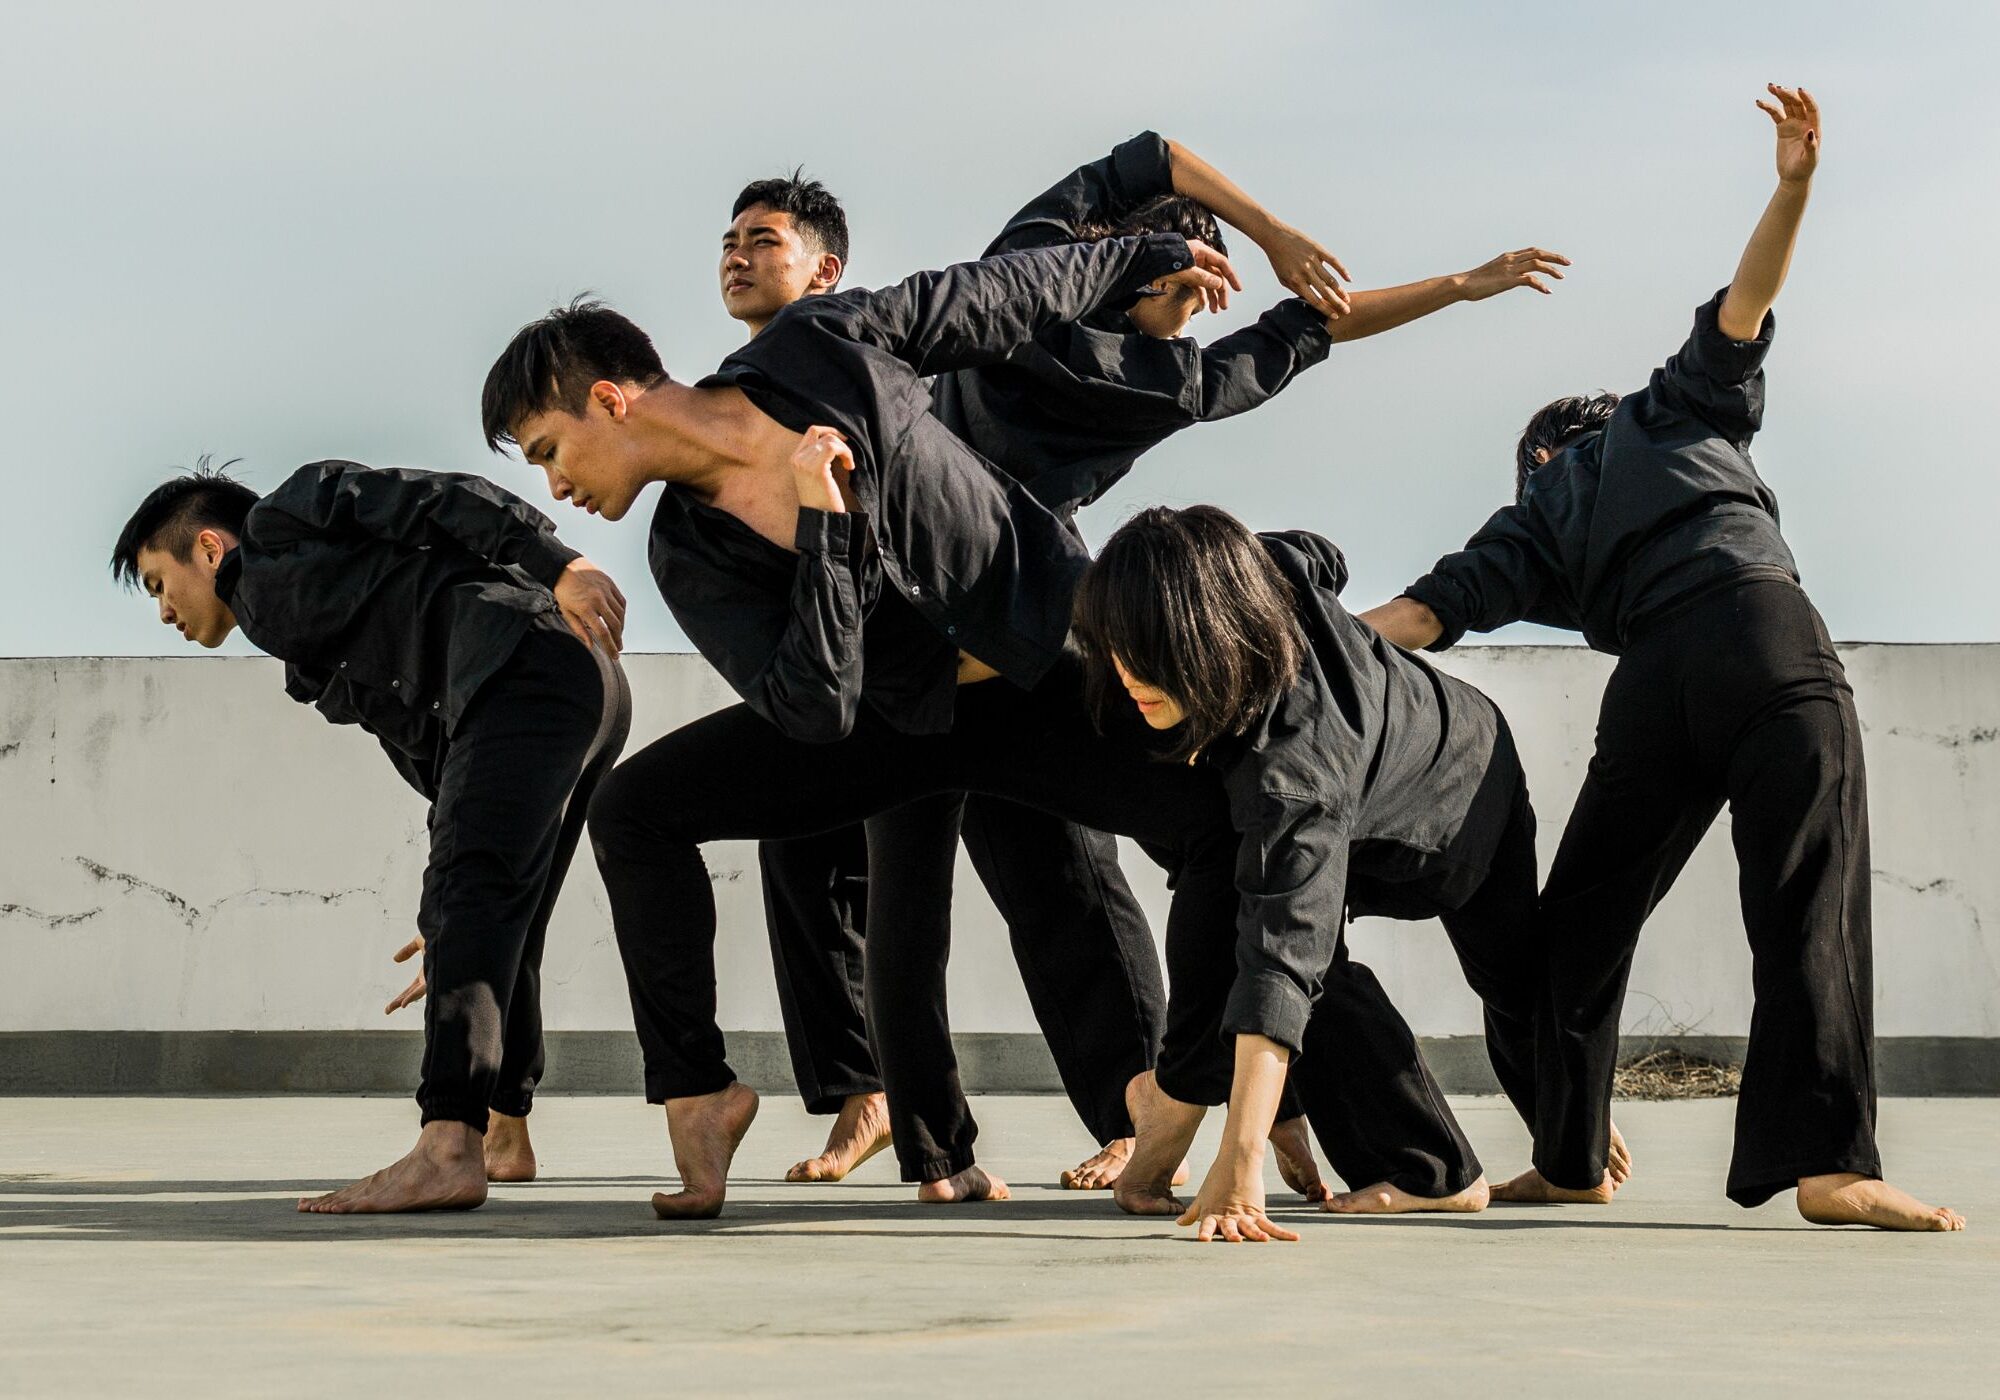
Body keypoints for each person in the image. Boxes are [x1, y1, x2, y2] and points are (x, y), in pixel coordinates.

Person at [728, 140, 1570, 1191]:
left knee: (925, 893)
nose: (1195, 317)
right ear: (1167, 274)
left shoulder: (1027, 264)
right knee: (1151, 869)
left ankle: (950, 1152)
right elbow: (1314, 324)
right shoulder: (1158, 379)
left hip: (912, 628)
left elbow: (1151, 156)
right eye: (1189, 296)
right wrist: (1455, 284)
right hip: (1022, 641)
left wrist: (1268, 233)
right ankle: (1209, 1112)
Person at [483, 230, 1244, 1214]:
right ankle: (699, 1094)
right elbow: (813, 705)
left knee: (1223, 816)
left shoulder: (821, 346)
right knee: (634, 808)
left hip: (1036, 669)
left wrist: (1137, 252)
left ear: (609, 398)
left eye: (548, 451)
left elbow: (994, 294)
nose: (555, 488)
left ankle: (1209, 1095)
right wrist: (828, 531)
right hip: (885, 721)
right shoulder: (688, 552)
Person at [1360, 87, 1963, 1231]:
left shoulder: (1529, 522)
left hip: (1651, 690)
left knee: (1577, 925)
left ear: (1534, 456)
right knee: (1803, 902)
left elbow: (1414, 617)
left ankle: (1571, 1153)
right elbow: (1746, 304)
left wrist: (1257, 635)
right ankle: (1829, 1163)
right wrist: (1791, 186)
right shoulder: (1662, 413)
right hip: (1759, 634)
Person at [109, 460, 631, 1213]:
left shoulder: (285, 519)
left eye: (159, 584)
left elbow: (441, 499)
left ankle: (448, 1145)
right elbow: (442, 767)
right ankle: (502, 1133)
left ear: (211, 549)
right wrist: (446, 910)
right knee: (500, 917)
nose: (163, 611)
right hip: (568, 688)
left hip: (530, 658)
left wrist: (562, 566)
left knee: (475, 903)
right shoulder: (307, 643)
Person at [1070, 504, 1565, 1240]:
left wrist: (1239, 1170)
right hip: (1384, 760)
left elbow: (1280, 958)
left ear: (1211, 635)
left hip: (1461, 793)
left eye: (1156, 653)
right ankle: (1452, 1155)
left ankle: (1450, 1173)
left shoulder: (1294, 766)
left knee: (1499, 980)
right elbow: (1316, 552)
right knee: (1242, 914)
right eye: (1120, 649)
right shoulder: (1254, 579)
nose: (1131, 675)